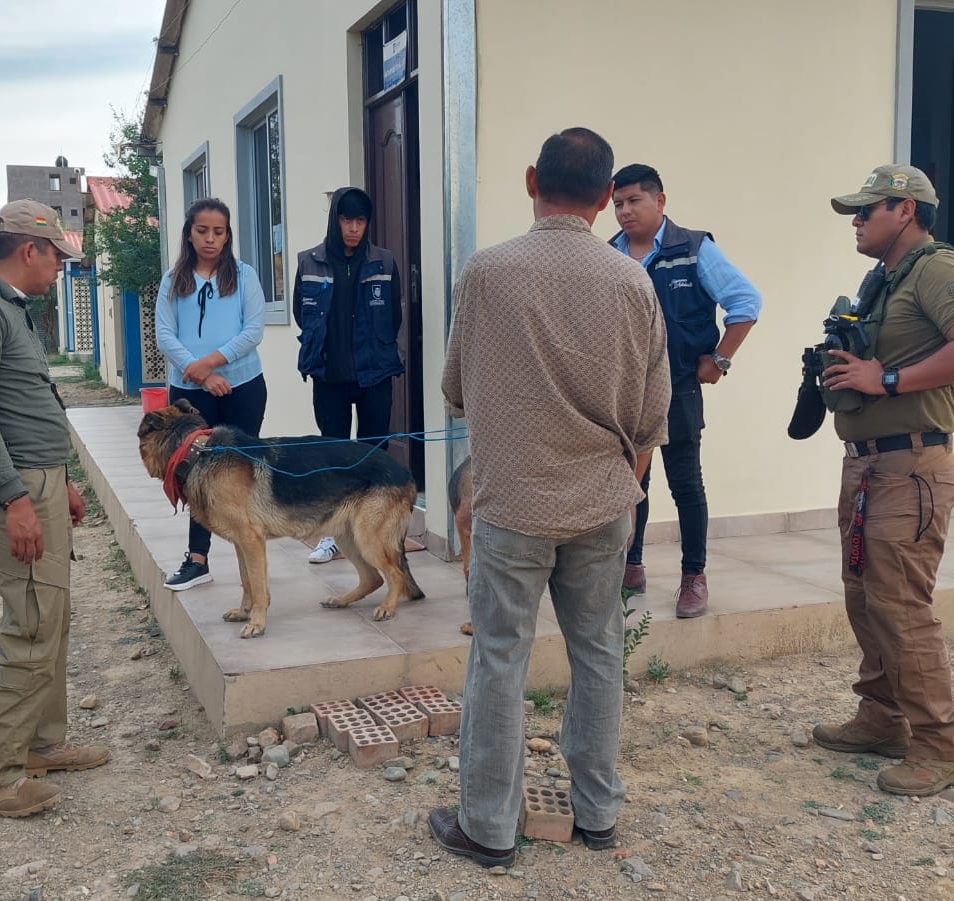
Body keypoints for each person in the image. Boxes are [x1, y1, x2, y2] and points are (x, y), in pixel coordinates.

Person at [430, 128, 670, 866]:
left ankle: (488, 827)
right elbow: (652, 415)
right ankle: (598, 812)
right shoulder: (633, 282)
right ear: (606, 197)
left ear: (531, 179)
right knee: (598, 652)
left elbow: (456, 392)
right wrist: (626, 486)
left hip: (514, 503)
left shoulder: (487, 272)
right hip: (602, 499)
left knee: (499, 657)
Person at [815, 164, 954, 796]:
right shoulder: (886, 279)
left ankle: (943, 748)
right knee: (865, 598)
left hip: (911, 465)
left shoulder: (939, 269)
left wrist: (883, 380)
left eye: (867, 212)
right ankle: (882, 718)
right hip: (870, 462)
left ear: (906, 210)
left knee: (902, 608)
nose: (857, 223)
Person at [0, 199, 108, 818]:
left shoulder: (6, 305)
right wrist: (16, 499)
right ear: (30, 250)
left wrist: (58, 478)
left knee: (52, 614)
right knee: (32, 621)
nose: (60, 268)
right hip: (14, 487)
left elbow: (27, 398)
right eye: (58, 256)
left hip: (38, 479)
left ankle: (40, 743)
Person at [609, 163, 762, 616]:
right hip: (624, 392)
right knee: (632, 482)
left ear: (660, 200)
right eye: (617, 203)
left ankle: (693, 576)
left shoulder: (694, 249)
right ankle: (630, 566)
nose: (624, 211)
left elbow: (745, 302)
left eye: (634, 200)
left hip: (676, 388)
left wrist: (720, 358)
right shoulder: (610, 255)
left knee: (686, 483)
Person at [154, 198, 267, 590]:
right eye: (202, 230)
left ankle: (251, 549)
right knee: (194, 471)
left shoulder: (244, 276)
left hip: (244, 385)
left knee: (242, 468)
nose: (210, 239)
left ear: (228, 235)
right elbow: (165, 334)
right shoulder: (173, 280)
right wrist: (200, 375)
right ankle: (197, 558)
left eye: (218, 232)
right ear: (189, 233)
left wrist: (211, 364)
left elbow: (253, 331)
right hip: (189, 392)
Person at [292, 186, 403, 564]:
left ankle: (378, 531)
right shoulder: (309, 262)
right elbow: (300, 313)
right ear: (334, 220)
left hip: (374, 376)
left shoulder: (384, 262)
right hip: (329, 378)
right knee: (333, 455)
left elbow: (394, 316)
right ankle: (333, 536)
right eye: (346, 219)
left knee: (375, 454)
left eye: (360, 220)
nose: (353, 228)